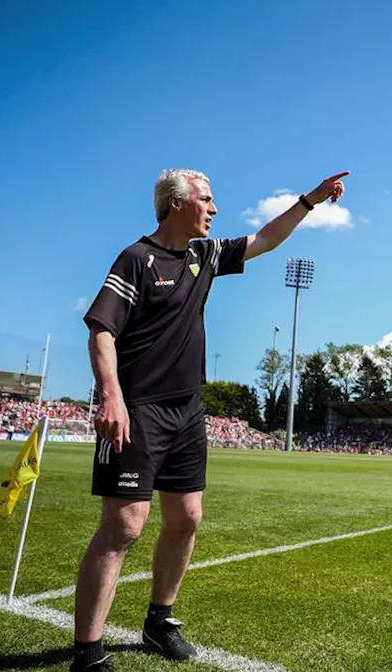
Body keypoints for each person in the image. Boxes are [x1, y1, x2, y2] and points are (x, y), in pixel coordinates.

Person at [71, 167, 348, 672]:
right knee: (124, 528)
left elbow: (265, 239)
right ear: (177, 204)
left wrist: (309, 200)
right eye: (207, 199)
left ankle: (159, 622)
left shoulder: (205, 255)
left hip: (187, 409)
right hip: (138, 410)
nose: (215, 209)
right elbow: (101, 330)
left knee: (187, 519)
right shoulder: (136, 259)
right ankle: (87, 654)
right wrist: (111, 397)